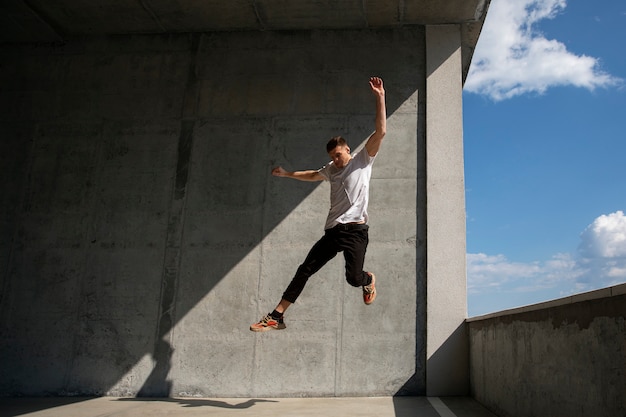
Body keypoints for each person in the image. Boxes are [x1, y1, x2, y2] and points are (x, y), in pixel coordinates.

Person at [250, 76, 386, 332]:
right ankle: (276, 316)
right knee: (305, 270)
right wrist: (287, 174)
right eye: (332, 157)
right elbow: (313, 174)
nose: (335, 160)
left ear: (347, 150)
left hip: (356, 232)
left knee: (353, 279)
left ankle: (368, 279)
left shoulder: (363, 160)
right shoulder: (331, 170)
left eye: (338, 154)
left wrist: (380, 97)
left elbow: (381, 132)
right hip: (333, 232)